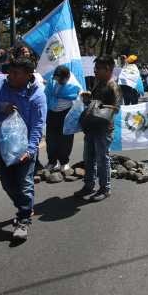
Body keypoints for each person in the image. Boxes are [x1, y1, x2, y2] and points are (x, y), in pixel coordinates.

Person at [0, 57, 47, 241]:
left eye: (16, 73)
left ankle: (23, 219)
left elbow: (38, 125)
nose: (11, 76)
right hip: (0, 146)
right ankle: (26, 206)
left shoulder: (37, 95)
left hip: (24, 148)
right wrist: (1, 107)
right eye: (10, 71)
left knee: (24, 184)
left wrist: (31, 150)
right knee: (8, 184)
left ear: (28, 75)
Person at [74, 55, 120, 201]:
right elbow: (93, 101)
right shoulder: (97, 82)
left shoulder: (113, 86)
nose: (94, 71)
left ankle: (105, 188)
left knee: (102, 159)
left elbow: (116, 108)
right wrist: (89, 99)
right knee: (88, 158)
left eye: (98, 68)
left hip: (104, 129)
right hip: (91, 127)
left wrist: (99, 106)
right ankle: (88, 185)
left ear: (108, 69)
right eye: (95, 68)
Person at [45, 65, 81, 172]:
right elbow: (46, 94)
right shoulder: (52, 81)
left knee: (65, 139)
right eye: (56, 79)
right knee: (50, 139)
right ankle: (52, 161)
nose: (58, 81)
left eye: (61, 80)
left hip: (66, 114)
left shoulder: (74, 85)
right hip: (52, 113)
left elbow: (79, 100)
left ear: (67, 77)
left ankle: (64, 162)